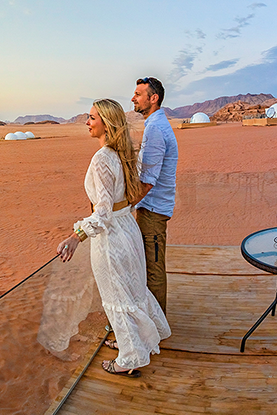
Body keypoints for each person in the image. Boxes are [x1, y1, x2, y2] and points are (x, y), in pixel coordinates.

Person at [57, 98, 170, 378]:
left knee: (117, 295)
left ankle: (130, 359)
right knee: (131, 291)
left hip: (112, 239)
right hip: (127, 230)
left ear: (106, 123)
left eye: (92, 117)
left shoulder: (102, 159)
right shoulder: (121, 154)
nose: (87, 122)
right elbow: (125, 202)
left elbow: (103, 213)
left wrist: (76, 236)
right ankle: (133, 340)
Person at [131, 77, 178, 315]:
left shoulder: (156, 129)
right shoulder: (155, 125)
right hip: (151, 208)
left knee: (153, 268)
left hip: (152, 210)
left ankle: (156, 328)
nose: (133, 98)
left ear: (153, 98)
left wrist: (125, 205)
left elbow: (148, 181)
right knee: (150, 265)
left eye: (138, 94)